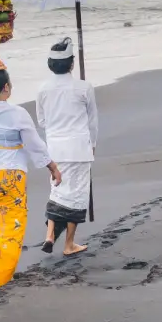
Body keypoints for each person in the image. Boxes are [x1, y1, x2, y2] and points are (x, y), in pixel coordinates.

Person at [0, 36, 62, 291]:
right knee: (11, 225)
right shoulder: (17, 114)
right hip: (10, 175)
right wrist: (52, 167)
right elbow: (34, 145)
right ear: (7, 88)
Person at [35, 37, 98, 256]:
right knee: (77, 196)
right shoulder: (84, 88)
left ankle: (50, 234)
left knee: (57, 191)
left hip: (55, 149)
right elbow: (92, 122)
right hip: (80, 148)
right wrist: (94, 145)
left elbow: (42, 121)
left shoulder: (42, 89)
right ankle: (69, 244)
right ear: (71, 64)